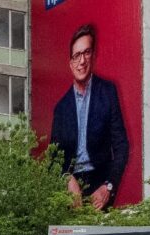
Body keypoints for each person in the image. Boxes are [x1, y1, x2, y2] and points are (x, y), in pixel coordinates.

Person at [50, 24, 129, 210]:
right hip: (70, 189)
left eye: (86, 53)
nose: (82, 61)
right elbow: (53, 159)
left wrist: (109, 186)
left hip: (101, 183)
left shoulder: (108, 92)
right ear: (70, 63)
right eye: (77, 55)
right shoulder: (61, 108)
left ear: (93, 55)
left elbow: (121, 146)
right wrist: (66, 179)